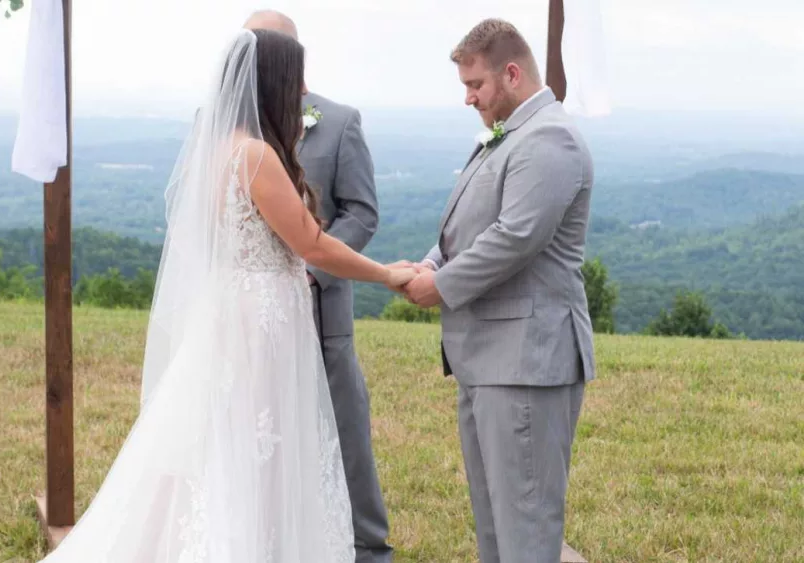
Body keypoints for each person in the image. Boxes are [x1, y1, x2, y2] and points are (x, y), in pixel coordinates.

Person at [37, 28, 416, 563]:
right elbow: (312, 244)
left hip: (234, 312)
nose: (304, 91)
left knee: (231, 441)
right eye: (297, 79)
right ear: (275, 82)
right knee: (257, 444)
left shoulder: (218, 149)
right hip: (261, 322)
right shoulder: (256, 156)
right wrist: (387, 275)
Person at [399, 19, 595, 563]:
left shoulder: (549, 138)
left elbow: (515, 237)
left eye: (475, 85)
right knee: (495, 526)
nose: (469, 98)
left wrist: (440, 286)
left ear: (511, 74)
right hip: (489, 361)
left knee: (525, 530)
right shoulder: (510, 134)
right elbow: (473, 226)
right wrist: (432, 261)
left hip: (526, 363)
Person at [242, 11, 392, 563]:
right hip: (252, 321)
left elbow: (362, 211)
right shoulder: (229, 128)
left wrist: (311, 268)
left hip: (322, 314)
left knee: (344, 433)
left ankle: (367, 548)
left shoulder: (339, 121)